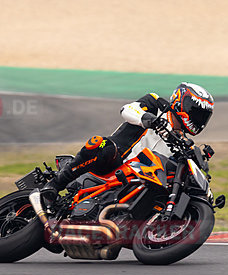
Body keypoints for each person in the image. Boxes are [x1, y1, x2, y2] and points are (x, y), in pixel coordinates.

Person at [40, 82, 214, 204]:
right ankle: (54, 185)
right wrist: (148, 119)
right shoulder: (156, 104)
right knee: (100, 144)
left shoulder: (184, 144)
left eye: (202, 117)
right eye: (195, 112)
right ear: (181, 103)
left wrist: (206, 190)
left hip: (139, 181)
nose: (198, 120)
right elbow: (127, 109)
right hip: (114, 162)